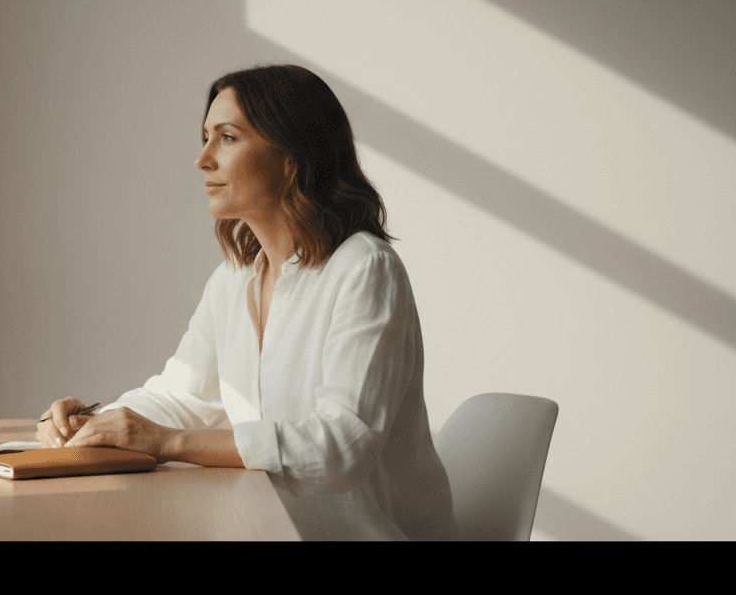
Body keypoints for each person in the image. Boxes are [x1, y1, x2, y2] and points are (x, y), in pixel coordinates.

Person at [37, 65, 457, 541]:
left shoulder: (365, 269)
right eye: (204, 137)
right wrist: (97, 423)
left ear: (292, 156)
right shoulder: (232, 281)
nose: (202, 159)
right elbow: (183, 395)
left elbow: (342, 446)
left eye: (227, 138)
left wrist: (171, 442)